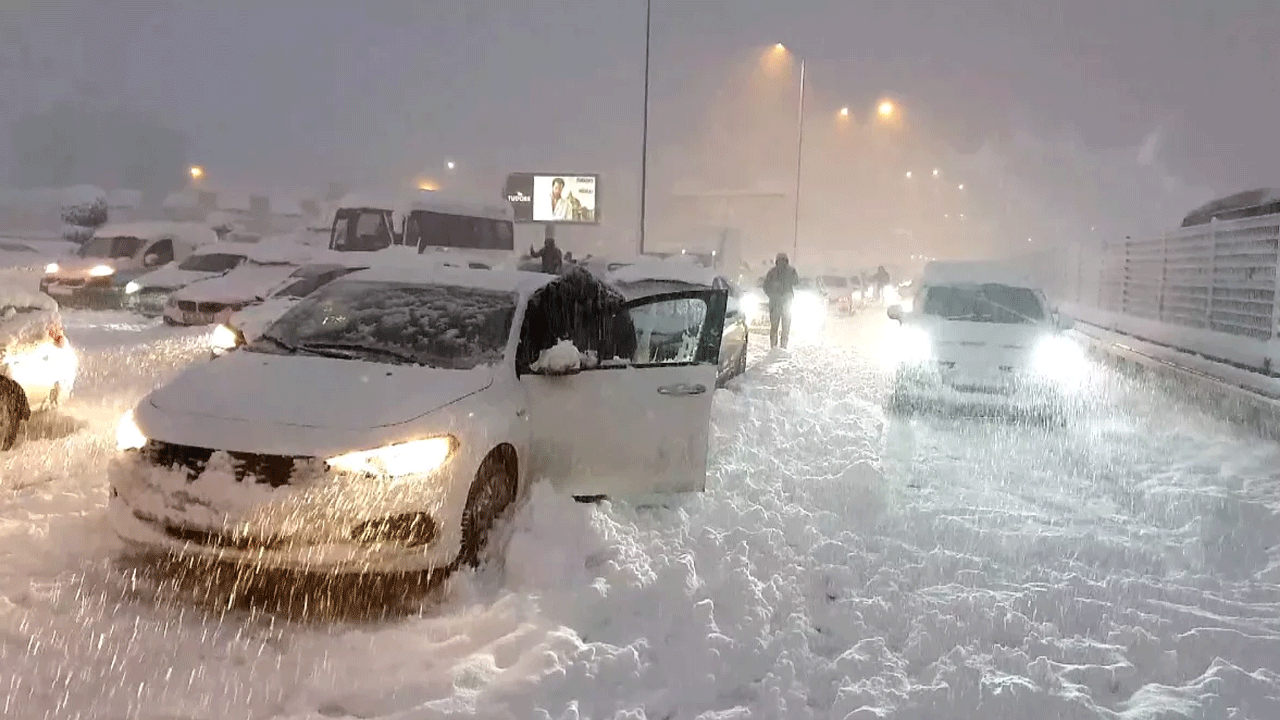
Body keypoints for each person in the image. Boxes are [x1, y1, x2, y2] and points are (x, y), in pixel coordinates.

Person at [762, 252, 800, 348]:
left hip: (776, 302)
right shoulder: (791, 271)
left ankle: (774, 346)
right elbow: (796, 283)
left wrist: (771, 295)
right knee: (785, 326)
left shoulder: (772, 272)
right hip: (786, 302)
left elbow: (765, 286)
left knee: (775, 326)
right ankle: (783, 345)